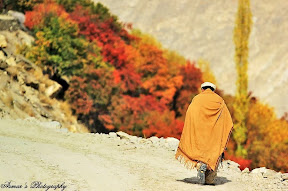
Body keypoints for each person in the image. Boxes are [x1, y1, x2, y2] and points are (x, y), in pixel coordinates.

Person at [175, 82, 233, 185]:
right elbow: (228, 121)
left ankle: (199, 166)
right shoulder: (219, 100)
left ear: (202, 89)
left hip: (199, 133)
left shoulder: (197, 99)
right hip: (214, 135)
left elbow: (190, 114)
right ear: (213, 90)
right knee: (214, 153)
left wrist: (193, 128)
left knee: (197, 152)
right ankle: (209, 179)